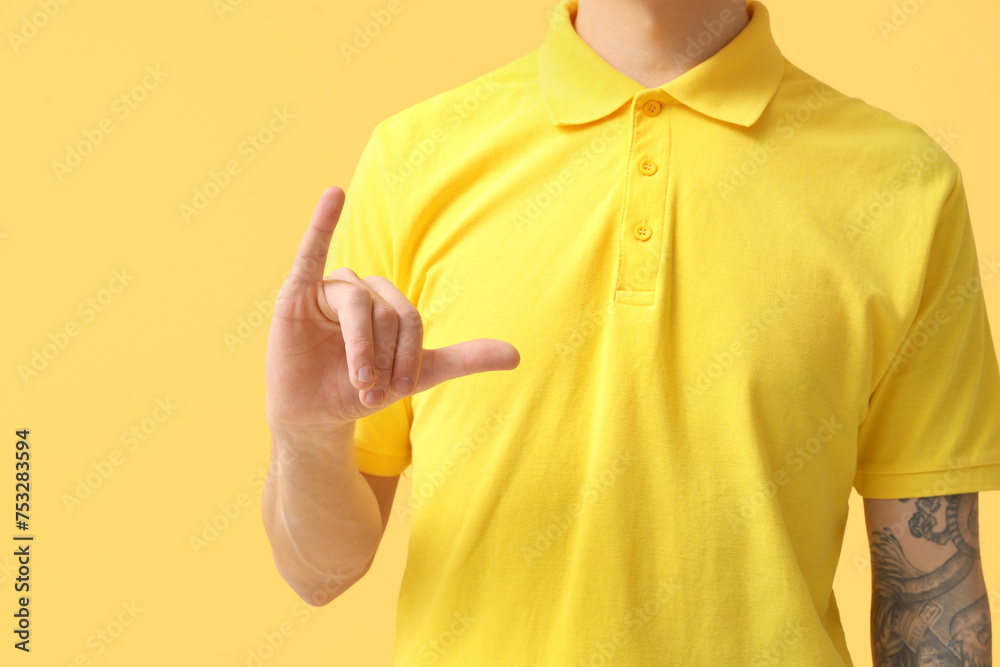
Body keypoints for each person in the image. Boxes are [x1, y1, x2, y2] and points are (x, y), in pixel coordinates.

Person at [262, 0, 1000, 664]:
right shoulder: (413, 160)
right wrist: (306, 434)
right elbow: (319, 573)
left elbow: (931, 597)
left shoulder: (904, 188)